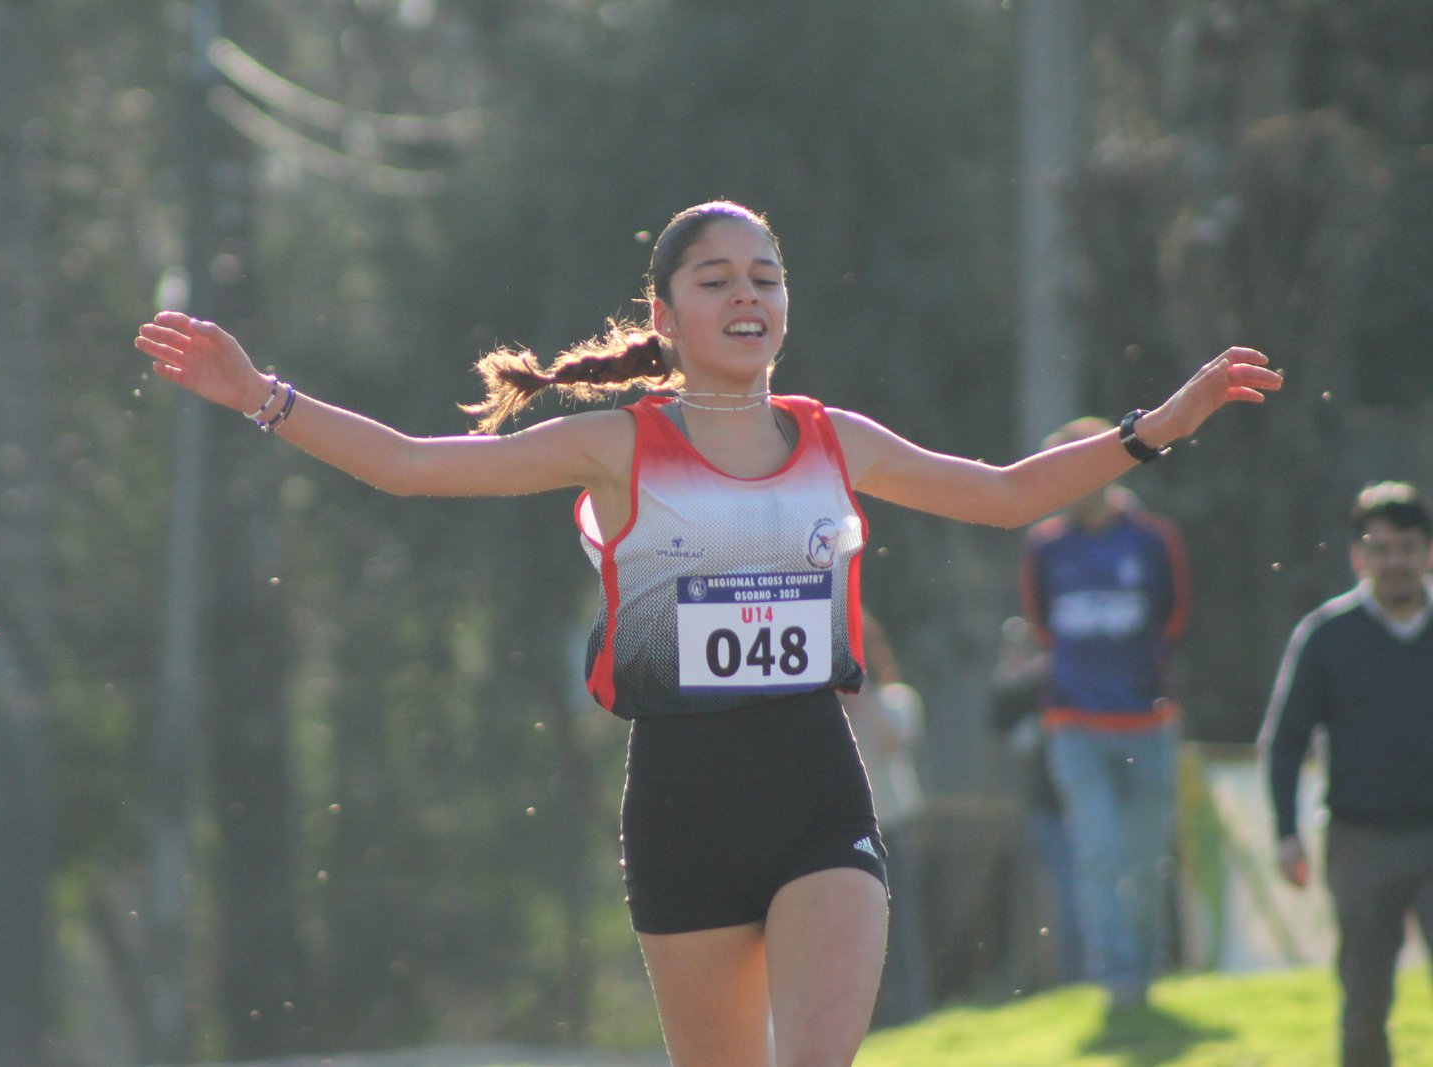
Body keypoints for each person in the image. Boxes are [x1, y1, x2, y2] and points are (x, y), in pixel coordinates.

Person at [134, 200, 1280, 1067]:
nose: (748, 295)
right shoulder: (616, 445)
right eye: (716, 277)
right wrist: (259, 395)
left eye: (766, 277)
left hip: (818, 786)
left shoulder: (835, 438)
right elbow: (410, 466)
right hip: (682, 801)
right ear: (663, 314)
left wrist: (1163, 422)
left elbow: (1005, 492)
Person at [1018, 426, 1192, 1013]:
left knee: (1145, 858)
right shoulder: (1044, 547)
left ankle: (1147, 970)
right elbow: (1044, 629)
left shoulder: (1152, 539)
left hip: (1147, 722)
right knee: (1096, 853)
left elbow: (1174, 619)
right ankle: (1116, 981)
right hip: (1074, 724)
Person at [1260, 482, 1433, 1067]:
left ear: (1428, 552)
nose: (1395, 561)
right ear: (1359, 556)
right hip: (1360, 842)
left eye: (1407, 547)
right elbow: (1285, 741)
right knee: (1364, 1004)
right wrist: (1286, 833)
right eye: (1381, 549)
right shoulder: (1327, 636)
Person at [840, 611, 931, 1025]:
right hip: (847, 829)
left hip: (891, 823)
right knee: (854, 929)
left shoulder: (897, 699)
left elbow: (895, 743)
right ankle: (870, 1017)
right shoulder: (831, 709)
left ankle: (911, 1010)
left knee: (900, 924)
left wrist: (866, 695)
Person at [988, 613, 1084, 986]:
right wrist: (1012, 678)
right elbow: (998, 719)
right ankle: (1076, 976)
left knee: (1088, 890)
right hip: (1048, 806)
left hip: (1081, 802)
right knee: (1065, 894)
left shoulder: (1064, 674)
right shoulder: (1022, 689)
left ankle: (1102, 972)